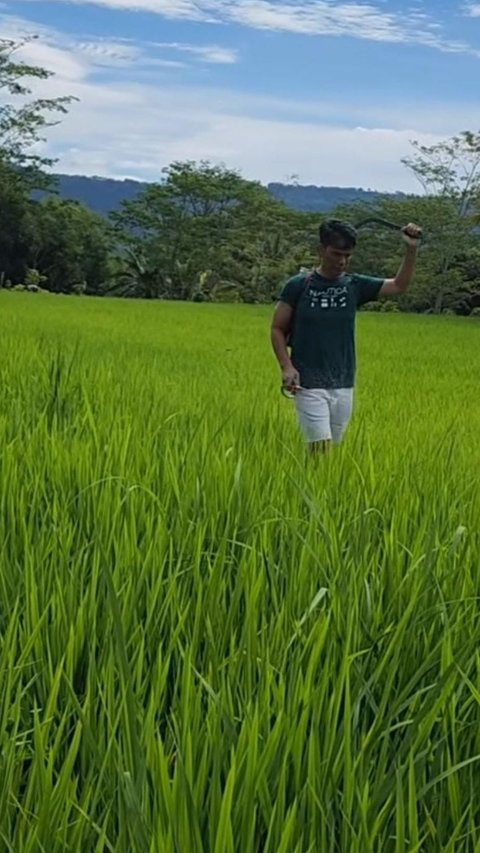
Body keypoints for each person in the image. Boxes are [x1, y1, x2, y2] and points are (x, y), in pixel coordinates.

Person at [270, 218, 422, 455]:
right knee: (320, 449)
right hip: (307, 382)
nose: (341, 261)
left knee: (333, 450)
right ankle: (310, 490)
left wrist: (411, 249)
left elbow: (399, 286)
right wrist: (286, 367)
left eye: (347, 256)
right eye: (336, 254)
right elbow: (277, 329)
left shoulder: (354, 285)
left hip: (343, 381)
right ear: (321, 250)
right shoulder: (299, 286)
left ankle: (323, 490)